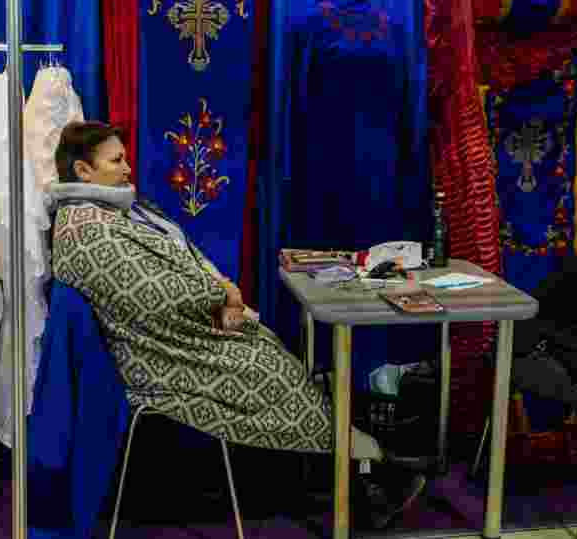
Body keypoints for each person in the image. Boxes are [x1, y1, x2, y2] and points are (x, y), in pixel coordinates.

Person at [49, 121, 426, 527]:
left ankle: (362, 470)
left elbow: (182, 256)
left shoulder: (114, 210)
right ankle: (368, 471)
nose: (127, 168)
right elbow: (154, 295)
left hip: (183, 334)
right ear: (83, 172)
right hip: (162, 355)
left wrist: (222, 287)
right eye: (116, 160)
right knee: (272, 371)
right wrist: (220, 295)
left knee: (279, 360)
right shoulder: (85, 230)